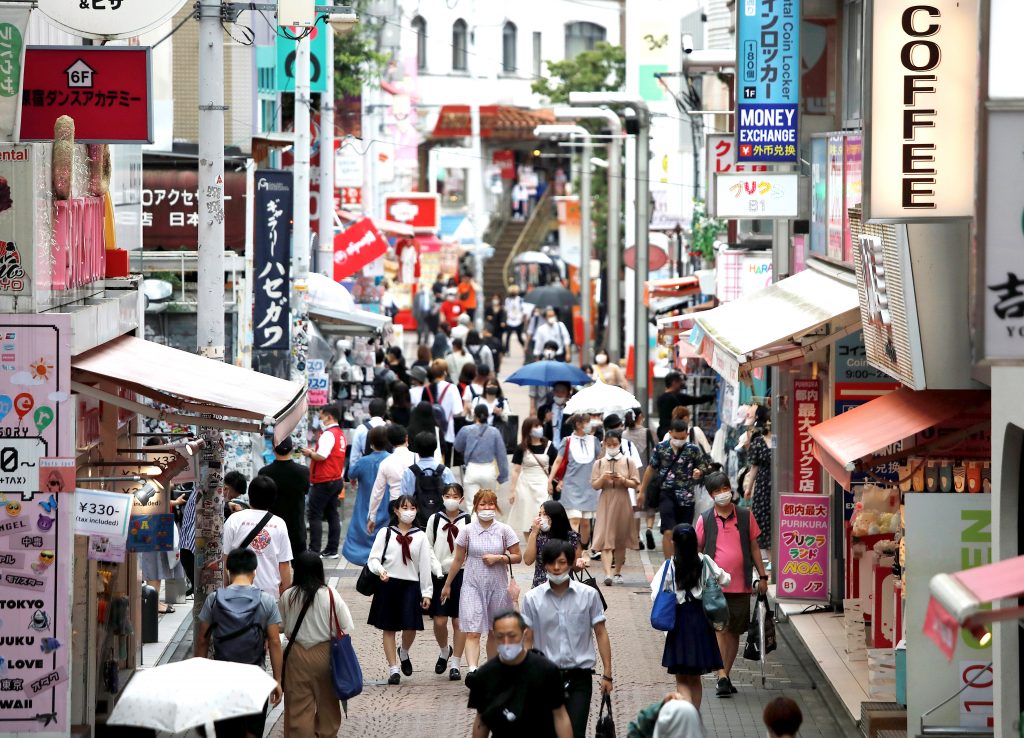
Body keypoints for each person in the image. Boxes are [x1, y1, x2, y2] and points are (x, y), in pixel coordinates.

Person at [522, 540, 612, 738]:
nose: (556, 568)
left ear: (571, 563)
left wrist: (607, 673)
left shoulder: (589, 595)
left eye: (562, 562)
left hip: (579, 677)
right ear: (544, 564)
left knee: (576, 732)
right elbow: (527, 638)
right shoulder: (531, 598)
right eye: (552, 562)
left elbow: (600, 632)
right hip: (544, 678)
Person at [195, 547, 283, 738]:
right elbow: (275, 642)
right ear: (255, 572)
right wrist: (277, 679)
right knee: (252, 731)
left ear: (228, 571)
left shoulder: (213, 600)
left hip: (223, 679)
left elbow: (202, 640)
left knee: (226, 732)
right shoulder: (266, 600)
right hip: (255, 677)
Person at [695, 471, 769, 698]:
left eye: (724, 489)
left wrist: (763, 576)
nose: (721, 494)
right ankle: (721, 676)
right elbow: (697, 550)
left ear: (731, 489)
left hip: (742, 585)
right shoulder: (705, 519)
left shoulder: (746, 516)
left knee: (735, 632)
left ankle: (725, 674)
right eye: (716, 491)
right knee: (720, 629)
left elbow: (754, 547)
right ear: (710, 495)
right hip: (714, 587)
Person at [441, 489, 522, 675]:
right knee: (472, 630)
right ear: (475, 507)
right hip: (472, 585)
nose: (487, 508)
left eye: (491, 504)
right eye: (483, 504)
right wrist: (447, 584)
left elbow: (518, 556)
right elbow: (458, 559)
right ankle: (473, 670)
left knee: (495, 631)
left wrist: (499, 558)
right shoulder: (467, 531)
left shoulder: (504, 530)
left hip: (498, 587)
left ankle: (493, 671)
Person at [651, 524, 729, 709]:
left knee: (682, 678)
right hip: (701, 622)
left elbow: (655, 593)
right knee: (695, 678)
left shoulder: (670, 565)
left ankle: (686, 717)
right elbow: (725, 579)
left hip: (679, 623)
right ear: (695, 541)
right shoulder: (705, 561)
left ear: (674, 543)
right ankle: (695, 715)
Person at [279, 551, 355, 737]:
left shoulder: (288, 595)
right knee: (328, 704)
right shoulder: (329, 594)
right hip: (326, 654)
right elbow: (346, 625)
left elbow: (280, 626)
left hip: (296, 655)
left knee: (298, 706)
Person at [366, 495, 437, 685]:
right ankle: (393, 668)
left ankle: (404, 651)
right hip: (388, 584)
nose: (409, 512)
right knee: (388, 628)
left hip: (411, 585)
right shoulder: (385, 533)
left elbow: (424, 566)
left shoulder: (420, 536)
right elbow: (373, 558)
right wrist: (381, 571)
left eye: (412, 508)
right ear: (396, 511)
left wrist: (427, 593)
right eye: (404, 508)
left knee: (411, 626)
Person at [467, 611, 573, 738]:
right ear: (494, 636)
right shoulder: (485, 675)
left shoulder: (546, 670)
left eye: (512, 636)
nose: (506, 642)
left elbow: (560, 716)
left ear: (524, 634)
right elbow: (481, 720)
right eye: (501, 636)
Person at [638, 419, 710, 559]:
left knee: (684, 534)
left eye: (682, 438)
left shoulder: (692, 449)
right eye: (676, 437)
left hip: (687, 497)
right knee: (668, 532)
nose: (679, 440)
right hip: (667, 494)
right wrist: (642, 491)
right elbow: (651, 469)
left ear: (687, 434)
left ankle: (682, 562)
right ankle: (668, 565)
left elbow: (703, 465)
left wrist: (699, 472)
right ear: (670, 433)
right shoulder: (661, 448)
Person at [425, 482, 471, 681]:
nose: (451, 499)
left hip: (461, 573)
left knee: (459, 620)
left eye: (455, 495)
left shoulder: (468, 520)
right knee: (440, 620)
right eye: (447, 495)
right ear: (442, 497)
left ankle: (456, 664)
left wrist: (456, 566)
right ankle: (445, 650)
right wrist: (436, 567)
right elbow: (428, 545)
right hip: (439, 574)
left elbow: (470, 547)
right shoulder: (434, 519)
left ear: (461, 499)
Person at [222, 475, 293, 597]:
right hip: (270, 595)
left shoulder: (234, 519)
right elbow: (284, 565)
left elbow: (224, 559)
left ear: (249, 495)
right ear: (273, 498)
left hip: (237, 594)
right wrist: (286, 596)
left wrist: (226, 589)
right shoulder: (279, 524)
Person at [591, 430, 641, 585]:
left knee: (620, 538)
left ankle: (617, 571)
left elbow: (636, 482)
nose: (612, 447)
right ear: (604, 444)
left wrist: (624, 480)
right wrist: (603, 478)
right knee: (606, 537)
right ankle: (607, 574)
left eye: (615, 444)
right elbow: (594, 484)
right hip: (605, 500)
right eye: (609, 444)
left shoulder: (628, 461)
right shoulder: (599, 463)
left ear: (620, 444)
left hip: (622, 500)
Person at [301, 405, 347, 560]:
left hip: (324, 480)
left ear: (329, 417)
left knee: (314, 515)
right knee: (332, 513)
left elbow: (321, 456)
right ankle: (331, 549)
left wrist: (309, 453)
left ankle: (314, 550)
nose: (320, 420)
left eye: (321, 417)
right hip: (335, 479)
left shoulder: (328, 434)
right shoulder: (340, 434)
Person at [341, 425, 391, 564]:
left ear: (370, 442)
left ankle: (366, 561)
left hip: (366, 503)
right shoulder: (391, 459)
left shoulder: (363, 461)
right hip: (386, 504)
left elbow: (351, 473)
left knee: (363, 530)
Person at [549, 414, 599, 547]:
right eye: (587, 422)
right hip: (571, 486)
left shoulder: (594, 440)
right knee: (574, 519)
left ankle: (584, 550)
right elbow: (558, 461)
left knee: (586, 522)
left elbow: (600, 460)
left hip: (589, 487)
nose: (590, 424)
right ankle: (573, 550)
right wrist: (550, 480)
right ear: (578, 424)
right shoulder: (567, 440)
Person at [258, 437, 310, 558]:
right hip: (296, 528)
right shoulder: (303, 471)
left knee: (273, 566)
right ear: (292, 449)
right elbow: (306, 491)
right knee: (299, 566)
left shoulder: (264, 472)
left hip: (271, 527)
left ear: (273, 449)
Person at [507, 418, 556, 537]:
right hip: (525, 485)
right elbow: (516, 470)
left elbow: (556, 465)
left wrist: (554, 482)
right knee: (527, 518)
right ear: (528, 430)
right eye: (535, 426)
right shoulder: (521, 447)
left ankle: (542, 548)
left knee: (544, 516)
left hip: (543, 484)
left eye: (540, 425)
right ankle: (531, 550)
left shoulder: (549, 446)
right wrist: (512, 491)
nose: (539, 428)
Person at [368, 424, 418, 534]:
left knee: (397, 537)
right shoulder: (417, 457)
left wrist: (372, 516)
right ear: (406, 438)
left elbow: (377, 491)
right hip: (415, 502)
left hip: (396, 504)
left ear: (389, 442)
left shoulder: (386, 463)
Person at [401, 431, 457, 525]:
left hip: (417, 522)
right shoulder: (445, 471)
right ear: (435, 448)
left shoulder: (409, 472)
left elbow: (403, 499)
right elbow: (455, 497)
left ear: (416, 449)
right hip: (442, 521)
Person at [454, 404, 510, 499]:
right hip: (488, 470)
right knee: (488, 505)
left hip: (472, 469)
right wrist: (503, 475)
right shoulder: (495, 432)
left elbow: (457, 447)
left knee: (472, 505)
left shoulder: (466, 430)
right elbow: (501, 455)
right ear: (488, 416)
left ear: (474, 415)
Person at [523, 500, 584, 587]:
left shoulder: (572, 537)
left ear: (555, 516)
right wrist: (533, 533)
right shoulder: (537, 534)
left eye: (545, 514)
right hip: (541, 586)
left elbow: (576, 568)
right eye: (539, 514)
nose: (541, 518)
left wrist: (580, 563)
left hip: (565, 587)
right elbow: (528, 560)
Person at [623, 408, 659, 551]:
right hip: (648, 472)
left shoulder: (624, 434)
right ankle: (649, 528)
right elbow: (657, 448)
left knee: (635, 507)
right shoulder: (648, 432)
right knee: (649, 504)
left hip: (630, 473)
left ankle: (636, 537)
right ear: (640, 417)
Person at [656, 372, 717, 439]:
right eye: (680, 382)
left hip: (662, 431)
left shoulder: (660, 398)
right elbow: (696, 400)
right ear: (674, 382)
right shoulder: (675, 398)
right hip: (674, 433)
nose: (681, 385)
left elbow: (695, 400)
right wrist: (712, 396)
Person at [745, 421, 773, 554]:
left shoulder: (784, 438)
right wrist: (749, 488)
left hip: (781, 482)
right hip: (763, 484)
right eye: (767, 420)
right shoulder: (758, 441)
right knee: (762, 517)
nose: (769, 423)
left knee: (777, 515)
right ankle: (769, 555)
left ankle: (775, 555)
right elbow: (754, 467)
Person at [347, 398, 387, 470]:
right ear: (385, 412)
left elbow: (354, 455)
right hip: (387, 470)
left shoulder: (361, 428)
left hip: (366, 470)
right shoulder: (390, 429)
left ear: (369, 412)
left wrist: (352, 472)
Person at [537, 381, 573, 446]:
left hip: (566, 447)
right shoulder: (544, 409)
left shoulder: (572, 411)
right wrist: (545, 421)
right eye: (557, 391)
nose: (559, 394)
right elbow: (537, 430)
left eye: (563, 392)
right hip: (548, 447)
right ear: (553, 392)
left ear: (568, 393)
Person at [503, 285, 526, 352]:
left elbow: (523, 309)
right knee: (508, 337)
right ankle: (507, 350)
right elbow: (506, 309)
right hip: (510, 320)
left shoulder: (520, 300)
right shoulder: (508, 300)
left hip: (518, 320)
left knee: (519, 337)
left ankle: (525, 347)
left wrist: (522, 319)